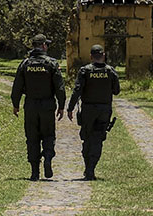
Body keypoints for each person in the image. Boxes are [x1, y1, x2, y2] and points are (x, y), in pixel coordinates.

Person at [11, 33, 65, 181]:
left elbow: (16, 87)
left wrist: (15, 105)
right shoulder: (52, 63)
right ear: (43, 46)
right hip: (47, 105)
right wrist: (61, 106)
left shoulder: (25, 64)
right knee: (48, 135)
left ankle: (35, 172)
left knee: (32, 138)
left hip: (31, 106)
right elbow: (60, 87)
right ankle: (47, 157)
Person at [66, 43, 120, 180]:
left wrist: (70, 108)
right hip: (104, 110)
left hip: (88, 110)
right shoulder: (110, 71)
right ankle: (91, 169)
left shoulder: (85, 71)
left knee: (87, 138)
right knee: (98, 139)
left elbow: (77, 90)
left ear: (91, 56)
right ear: (103, 56)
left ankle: (88, 168)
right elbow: (117, 91)